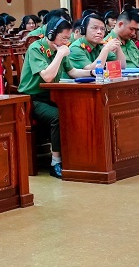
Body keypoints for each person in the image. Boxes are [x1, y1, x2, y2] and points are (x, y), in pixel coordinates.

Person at [17, 18, 93, 178]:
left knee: (76, 110)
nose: (66, 42)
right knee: (58, 116)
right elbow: (47, 77)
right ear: (51, 34)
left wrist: (93, 72)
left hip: (52, 96)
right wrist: (59, 54)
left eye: (68, 38)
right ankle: (55, 162)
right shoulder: (36, 48)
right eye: (64, 38)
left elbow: (73, 72)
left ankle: (75, 155)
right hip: (32, 99)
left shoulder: (60, 50)